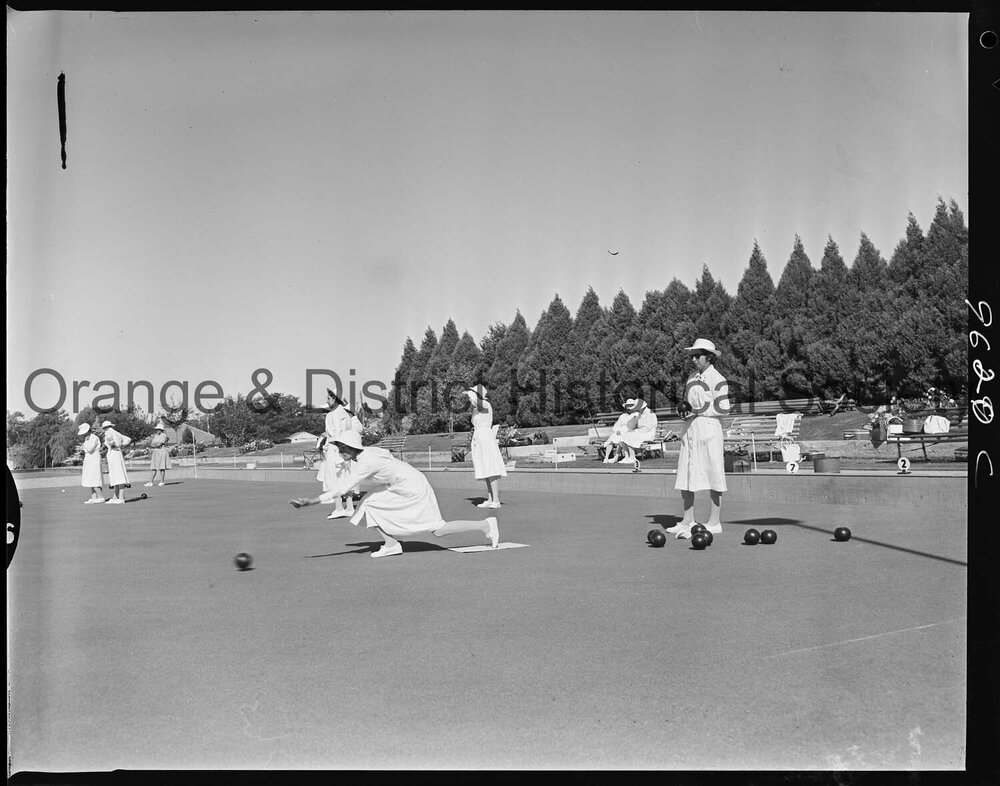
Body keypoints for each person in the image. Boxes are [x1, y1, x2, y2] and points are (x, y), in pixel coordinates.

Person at [290, 430, 499, 558]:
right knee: (369, 504)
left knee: (438, 530)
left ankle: (485, 525)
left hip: (413, 486)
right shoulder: (364, 455)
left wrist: (312, 501)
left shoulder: (366, 462)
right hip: (399, 485)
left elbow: (342, 488)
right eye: (337, 446)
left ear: (353, 447)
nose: (339, 450)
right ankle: (391, 544)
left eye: (342, 446)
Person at [669, 338, 731, 538]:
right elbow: (688, 403)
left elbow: (724, 408)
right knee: (686, 472)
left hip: (709, 430)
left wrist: (697, 411)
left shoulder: (718, 379)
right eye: (692, 356)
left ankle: (714, 521)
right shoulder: (691, 377)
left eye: (698, 355)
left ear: (710, 357)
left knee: (714, 473)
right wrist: (686, 413)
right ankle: (688, 520)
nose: (694, 359)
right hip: (691, 429)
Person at [464, 384, 507, 508]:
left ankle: (496, 500)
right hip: (479, 438)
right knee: (484, 468)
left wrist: (470, 393)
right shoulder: (476, 409)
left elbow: (477, 402)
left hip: (486, 438)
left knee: (490, 468)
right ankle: (490, 499)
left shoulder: (485, 405)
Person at [316, 389, 356, 520]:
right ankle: (349, 507)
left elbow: (339, 434)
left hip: (336, 450)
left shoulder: (335, 414)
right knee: (344, 478)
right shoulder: (340, 413)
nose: (327, 401)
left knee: (334, 479)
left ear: (334, 399)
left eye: (328, 398)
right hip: (341, 449)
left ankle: (340, 508)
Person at [615, 397, 658, 472]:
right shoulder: (640, 414)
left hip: (648, 433)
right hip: (641, 432)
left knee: (630, 436)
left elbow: (648, 428)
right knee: (624, 435)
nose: (637, 410)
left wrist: (637, 431)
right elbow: (636, 425)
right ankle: (627, 456)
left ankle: (632, 457)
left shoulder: (650, 413)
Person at [101, 420, 132, 504]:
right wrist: (122, 445)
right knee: (116, 474)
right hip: (116, 453)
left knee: (118, 474)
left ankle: (121, 498)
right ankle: (115, 496)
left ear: (105, 427)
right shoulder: (116, 432)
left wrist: (115, 446)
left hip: (114, 454)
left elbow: (112, 443)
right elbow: (128, 439)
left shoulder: (109, 433)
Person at [78, 423, 105, 503]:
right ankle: (94, 497)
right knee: (90, 477)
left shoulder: (94, 438)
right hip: (89, 459)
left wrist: (83, 445)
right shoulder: (87, 438)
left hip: (94, 459)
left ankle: (100, 497)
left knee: (94, 477)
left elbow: (90, 449)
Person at [145, 423, 170, 487]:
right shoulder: (156, 436)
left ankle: (162, 481)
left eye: (158, 429)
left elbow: (159, 444)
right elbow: (152, 444)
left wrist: (155, 444)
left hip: (161, 451)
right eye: (156, 429)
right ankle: (150, 482)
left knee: (162, 467)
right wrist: (154, 444)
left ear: (161, 429)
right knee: (153, 467)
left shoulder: (163, 435)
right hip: (155, 452)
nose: (156, 430)